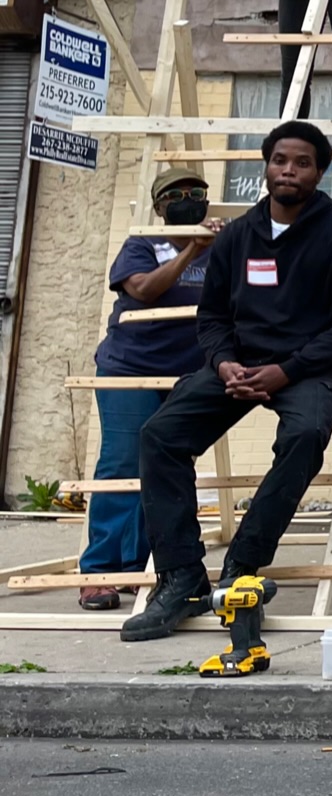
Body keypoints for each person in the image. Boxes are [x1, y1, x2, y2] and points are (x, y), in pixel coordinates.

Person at [121, 122, 332, 642]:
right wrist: (222, 365)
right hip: (237, 367)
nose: (289, 170)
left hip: (306, 370)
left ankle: (242, 568)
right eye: (280, 159)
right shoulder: (239, 235)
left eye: (302, 162)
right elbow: (212, 314)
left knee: (305, 437)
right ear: (266, 166)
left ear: (320, 171)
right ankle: (181, 579)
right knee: (160, 435)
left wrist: (288, 369)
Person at [78, 169, 224, 610]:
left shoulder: (220, 250)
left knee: (163, 468)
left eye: (196, 193)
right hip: (131, 370)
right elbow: (142, 290)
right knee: (121, 465)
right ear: (161, 207)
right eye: (176, 195)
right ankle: (99, 571)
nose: (187, 199)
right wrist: (190, 252)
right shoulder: (142, 244)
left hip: (187, 374)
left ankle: (137, 567)